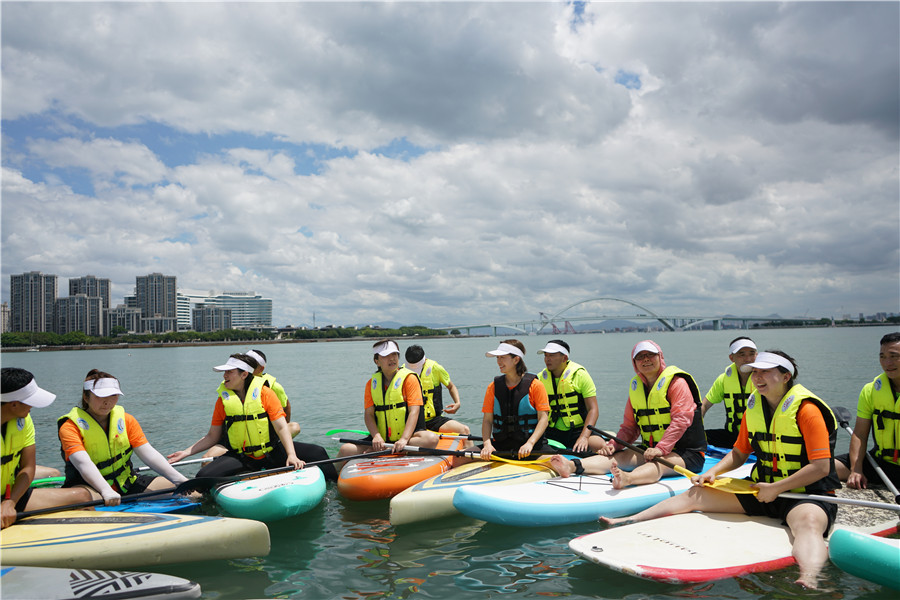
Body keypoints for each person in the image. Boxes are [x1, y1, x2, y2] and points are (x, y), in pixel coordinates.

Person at [601, 351, 840, 590]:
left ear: (786, 376)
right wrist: (712, 472)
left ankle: (809, 577)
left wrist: (777, 488)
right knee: (697, 493)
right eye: (755, 372)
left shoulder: (808, 410)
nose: (757, 377)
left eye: (765, 371)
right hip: (761, 490)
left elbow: (820, 468)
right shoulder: (755, 405)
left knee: (808, 524)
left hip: (804, 495)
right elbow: (739, 453)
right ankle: (628, 520)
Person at [550, 340, 706, 488]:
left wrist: (661, 449)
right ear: (635, 362)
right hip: (650, 449)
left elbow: (681, 420)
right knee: (617, 457)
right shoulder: (637, 388)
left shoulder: (677, 383)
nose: (646, 359)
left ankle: (627, 479)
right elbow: (629, 427)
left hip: (686, 452)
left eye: (650, 355)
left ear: (660, 357)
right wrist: (614, 445)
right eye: (640, 357)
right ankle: (571, 466)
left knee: (658, 464)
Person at [168, 353, 336, 481]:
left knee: (318, 452)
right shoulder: (223, 401)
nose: (224, 376)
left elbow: (281, 426)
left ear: (244, 375)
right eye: (224, 372)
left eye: (229, 372)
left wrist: (291, 454)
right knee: (203, 475)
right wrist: (185, 453)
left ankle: (335, 486)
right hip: (242, 456)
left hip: (272, 451)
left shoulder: (266, 393)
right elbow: (212, 435)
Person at [58, 370, 190, 506]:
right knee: (82, 497)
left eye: (113, 395)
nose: (107, 402)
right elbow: (82, 463)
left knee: (188, 491)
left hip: (126, 483)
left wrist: (181, 481)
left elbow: (149, 454)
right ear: (86, 397)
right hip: (89, 488)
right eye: (100, 396)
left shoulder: (126, 420)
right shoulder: (70, 427)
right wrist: (105, 490)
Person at [2, 368, 91, 528]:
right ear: (14, 404)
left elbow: (28, 468)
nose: (32, 407)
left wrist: (10, 502)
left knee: (83, 496)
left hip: (9, 496)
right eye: (30, 401)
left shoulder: (24, 421)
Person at [338, 340, 439, 461]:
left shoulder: (409, 379)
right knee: (346, 450)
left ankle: (398, 449)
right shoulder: (371, 384)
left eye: (394, 355)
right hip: (382, 441)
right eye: (386, 356)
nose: (392, 359)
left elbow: (414, 412)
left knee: (431, 439)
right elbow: (369, 414)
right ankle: (332, 476)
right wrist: (376, 436)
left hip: (409, 438)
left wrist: (404, 439)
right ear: (377, 361)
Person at [203, 348, 300, 459]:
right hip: (234, 440)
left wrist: (278, 434)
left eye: (252, 363)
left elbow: (286, 408)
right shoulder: (229, 386)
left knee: (294, 427)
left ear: (260, 369)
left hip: (264, 439)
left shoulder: (271, 388)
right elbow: (213, 434)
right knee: (206, 459)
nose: (248, 364)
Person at [836, 332, 900, 489]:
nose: (887, 362)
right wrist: (856, 469)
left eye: (894, 356)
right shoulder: (871, 390)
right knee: (823, 468)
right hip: (880, 463)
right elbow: (860, 434)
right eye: (882, 356)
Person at [481, 339, 553, 460]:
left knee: (558, 461)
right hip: (501, 446)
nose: (499, 362)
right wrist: (487, 444)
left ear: (516, 359)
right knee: (459, 458)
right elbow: (487, 420)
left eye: (502, 357)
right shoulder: (493, 387)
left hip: (532, 446)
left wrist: (530, 443)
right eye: (497, 358)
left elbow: (543, 419)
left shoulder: (535, 385)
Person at [536, 340, 607, 453]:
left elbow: (593, 409)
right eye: (545, 355)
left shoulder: (580, 375)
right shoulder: (540, 378)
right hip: (551, 431)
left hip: (578, 430)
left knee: (600, 446)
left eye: (552, 355)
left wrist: (584, 437)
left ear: (564, 358)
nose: (547, 359)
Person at [701, 337, 758, 448]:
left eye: (752, 354)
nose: (748, 359)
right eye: (742, 354)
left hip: (758, 437)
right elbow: (704, 405)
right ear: (732, 358)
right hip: (733, 436)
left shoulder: (765, 379)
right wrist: (696, 430)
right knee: (700, 438)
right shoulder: (723, 380)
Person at [404, 344, 469, 435]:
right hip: (410, 421)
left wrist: (457, 402)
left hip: (433, 420)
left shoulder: (435, 368)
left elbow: (451, 386)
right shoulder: (401, 371)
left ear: (424, 360)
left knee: (465, 430)